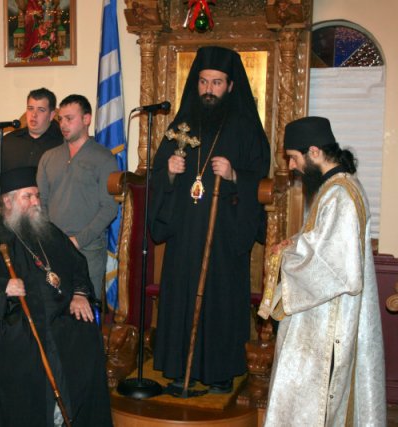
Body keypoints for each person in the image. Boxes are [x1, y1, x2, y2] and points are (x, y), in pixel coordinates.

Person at [0, 167, 112, 427]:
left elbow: (78, 265)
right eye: (28, 196)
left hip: (61, 314)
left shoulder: (50, 232)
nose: (36, 202)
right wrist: (3, 287)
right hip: (17, 320)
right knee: (31, 347)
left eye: (37, 196)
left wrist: (80, 294)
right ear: (8, 201)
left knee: (85, 334)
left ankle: (76, 415)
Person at [149, 46, 270, 394]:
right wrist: (169, 173)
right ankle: (178, 367)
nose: (208, 89)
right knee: (182, 295)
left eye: (216, 83)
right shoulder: (181, 125)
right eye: (203, 81)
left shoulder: (245, 128)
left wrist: (234, 175)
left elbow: (261, 182)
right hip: (185, 231)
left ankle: (219, 372)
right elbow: (158, 175)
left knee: (220, 299)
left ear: (230, 85)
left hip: (224, 232)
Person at [262, 116, 385, 426]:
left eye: (294, 157)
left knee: (318, 398)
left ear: (314, 152)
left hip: (331, 318)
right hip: (326, 310)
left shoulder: (341, 194)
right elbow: (323, 241)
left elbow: (334, 264)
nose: (291, 166)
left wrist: (287, 256)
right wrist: (296, 242)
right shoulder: (336, 187)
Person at [37, 94, 118, 301]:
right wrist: (50, 238)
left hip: (88, 248)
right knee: (55, 307)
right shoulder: (49, 157)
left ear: (86, 119)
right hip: (53, 247)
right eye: (61, 119)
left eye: (69, 118)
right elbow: (41, 202)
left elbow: (109, 208)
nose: (63, 124)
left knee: (86, 309)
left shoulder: (103, 158)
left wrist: (79, 240)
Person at [0, 87, 62, 176]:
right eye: (30, 108)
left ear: (51, 115)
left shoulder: (63, 144)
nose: (34, 114)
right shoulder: (7, 141)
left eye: (41, 110)